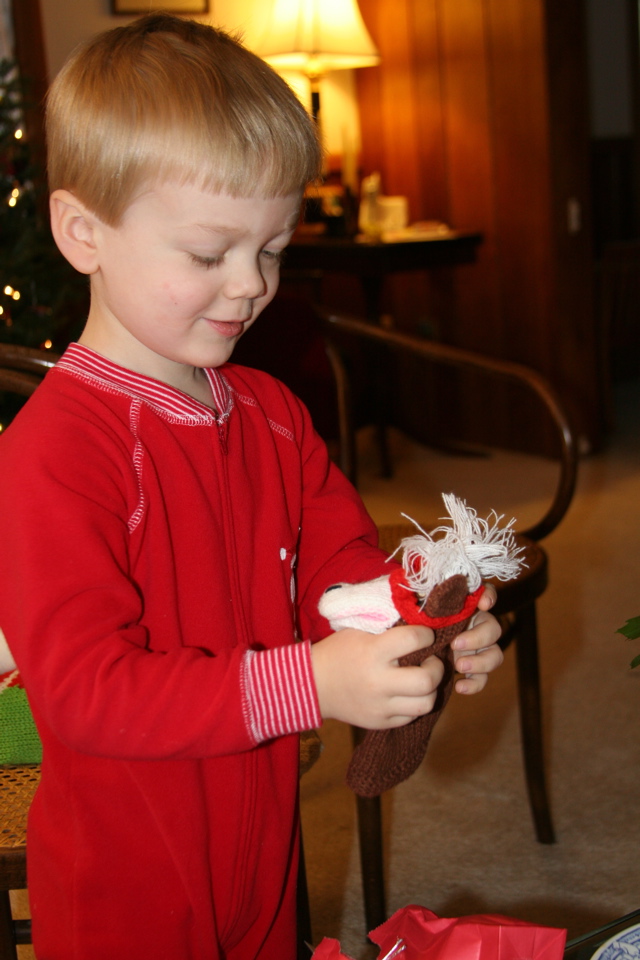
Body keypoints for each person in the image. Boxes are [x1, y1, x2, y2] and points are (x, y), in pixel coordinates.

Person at [0, 15, 503, 960]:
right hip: (125, 887)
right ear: (82, 232)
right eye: (208, 254)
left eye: (272, 250)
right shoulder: (54, 450)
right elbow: (81, 693)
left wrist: (414, 622)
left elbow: (341, 566)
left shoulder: (269, 409)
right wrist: (310, 683)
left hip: (265, 850)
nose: (249, 287)